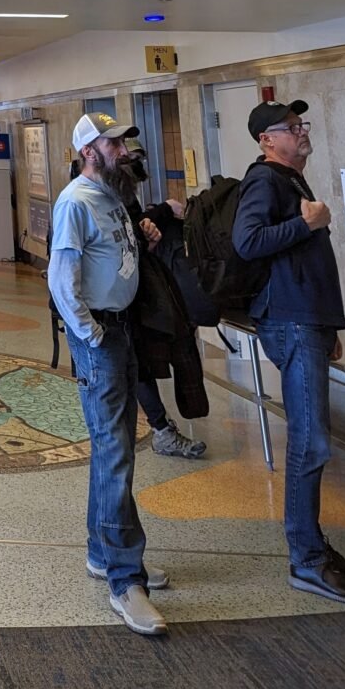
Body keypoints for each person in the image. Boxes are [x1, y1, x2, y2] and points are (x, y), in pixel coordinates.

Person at [48, 112, 169, 637]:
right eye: (114, 143)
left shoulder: (114, 196)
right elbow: (61, 278)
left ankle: (102, 552)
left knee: (113, 446)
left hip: (122, 330)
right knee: (117, 452)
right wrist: (90, 336)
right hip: (102, 338)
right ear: (88, 150)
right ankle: (126, 580)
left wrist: (143, 233)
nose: (124, 150)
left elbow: (113, 255)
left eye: (123, 142)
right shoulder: (75, 202)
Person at [233, 99, 345, 604]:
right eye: (291, 127)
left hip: (309, 322)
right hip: (291, 322)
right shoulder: (265, 180)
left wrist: (328, 325)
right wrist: (308, 223)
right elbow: (247, 240)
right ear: (267, 140)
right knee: (310, 442)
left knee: (313, 440)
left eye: (302, 124)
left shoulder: (293, 180)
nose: (302, 132)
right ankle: (305, 559)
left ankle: (313, 547)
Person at [120, 146, 206, 459]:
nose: (128, 152)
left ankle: (161, 428)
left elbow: (131, 231)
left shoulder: (122, 188)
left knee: (140, 361)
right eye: (120, 146)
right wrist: (162, 212)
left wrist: (148, 225)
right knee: (135, 363)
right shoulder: (94, 192)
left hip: (134, 288)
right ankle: (160, 429)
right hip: (117, 300)